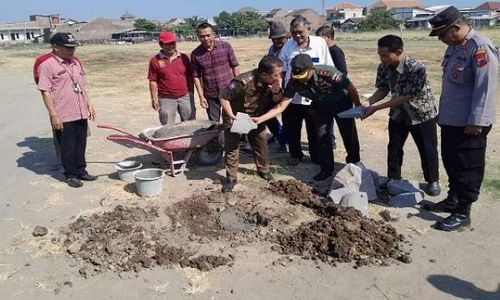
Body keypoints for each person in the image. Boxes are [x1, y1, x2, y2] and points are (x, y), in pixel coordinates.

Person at [424, 6, 498, 231]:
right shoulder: (456, 48)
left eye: (442, 34)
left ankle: (463, 212)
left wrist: (477, 120)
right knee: (452, 162)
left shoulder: (480, 47)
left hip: (470, 124)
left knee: (468, 167)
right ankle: (453, 199)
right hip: (451, 120)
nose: (440, 40)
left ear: (456, 28)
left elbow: (485, 87)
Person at [253, 54, 361, 181]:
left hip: (341, 104)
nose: (301, 80)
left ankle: (354, 165)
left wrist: (358, 106)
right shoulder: (294, 81)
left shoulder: (327, 73)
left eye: (303, 77)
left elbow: (350, 87)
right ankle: (326, 170)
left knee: (349, 134)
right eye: (298, 77)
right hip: (320, 107)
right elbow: (282, 105)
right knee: (321, 136)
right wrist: (261, 119)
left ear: (311, 69)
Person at [362, 35, 441, 197]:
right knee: (394, 147)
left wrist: (376, 108)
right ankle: (393, 178)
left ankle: (432, 180)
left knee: (427, 148)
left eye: (384, 55)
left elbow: (406, 96)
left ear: (398, 52)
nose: (381, 58)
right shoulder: (383, 67)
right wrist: (368, 102)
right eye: (379, 54)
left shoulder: (416, 67)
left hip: (421, 113)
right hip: (398, 114)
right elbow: (383, 89)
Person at [37, 32, 97, 188]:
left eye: (73, 48)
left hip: (80, 110)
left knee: (80, 144)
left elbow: (81, 86)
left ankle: (81, 171)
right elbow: (45, 91)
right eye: (68, 48)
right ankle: (70, 174)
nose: (72, 51)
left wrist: (88, 104)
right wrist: (53, 115)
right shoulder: (47, 65)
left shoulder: (75, 63)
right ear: (55, 47)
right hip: (63, 114)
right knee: (68, 146)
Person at [219, 56, 285, 192]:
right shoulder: (241, 82)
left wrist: (276, 90)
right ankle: (231, 178)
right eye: (276, 74)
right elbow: (223, 97)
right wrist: (231, 115)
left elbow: (278, 101)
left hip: (256, 117)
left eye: (280, 73)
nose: (279, 77)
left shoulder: (273, 82)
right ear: (263, 74)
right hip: (236, 117)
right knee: (232, 147)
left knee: (261, 144)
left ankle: (263, 170)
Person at [278, 16, 334, 166]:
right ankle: (295, 155)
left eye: (300, 32)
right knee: (292, 128)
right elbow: (282, 71)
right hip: (293, 96)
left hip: (314, 96)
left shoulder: (320, 43)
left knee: (315, 129)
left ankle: (315, 156)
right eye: (294, 33)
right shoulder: (288, 47)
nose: (297, 36)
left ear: (309, 29)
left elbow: (329, 67)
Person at [191, 22, 239, 122]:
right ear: (198, 37)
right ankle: (216, 138)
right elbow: (196, 76)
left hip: (228, 91)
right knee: (213, 123)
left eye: (208, 35)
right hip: (211, 94)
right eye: (202, 36)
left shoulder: (225, 47)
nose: (206, 39)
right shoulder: (195, 54)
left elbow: (234, 66)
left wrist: (239, 86)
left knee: (231, 120)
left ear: (213, 34)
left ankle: (234, 138)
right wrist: (201, 96)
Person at [148, 31, 195, 125]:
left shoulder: (184, 57)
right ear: (161, 45)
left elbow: (190, 76)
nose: (171, 46)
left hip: (185, 96)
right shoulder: (155, 61)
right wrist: (154, 99)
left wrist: (191, 93)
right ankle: (169, 140)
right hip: (166, 98)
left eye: (173, 43)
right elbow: (153, 81)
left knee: (190, 124)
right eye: (167, 44)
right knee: (167, 126)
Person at [316, 25, 348, 150]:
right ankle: (329, 141)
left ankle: (332, 141)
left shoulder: (335, 51)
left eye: (320, 38)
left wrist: (334, 81)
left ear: (328, 37)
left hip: (336, 91)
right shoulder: (323, 51)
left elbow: (343, 72)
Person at [266, 21, 289, 152]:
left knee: (286, 116)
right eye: (275, 39)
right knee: (268, 111)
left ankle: (284, 142)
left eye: (281, 38)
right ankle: (277, 134)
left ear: (286, 37)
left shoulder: (291, 48)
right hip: (274, 85)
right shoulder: (272, 49)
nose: (278, 41)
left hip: (288, 87)